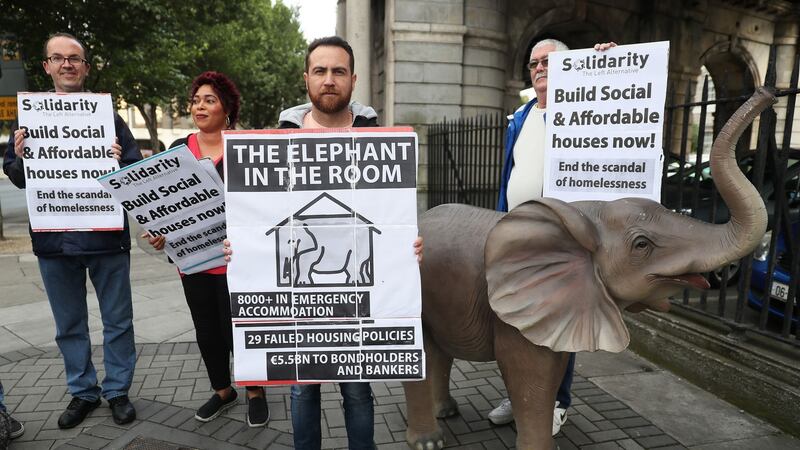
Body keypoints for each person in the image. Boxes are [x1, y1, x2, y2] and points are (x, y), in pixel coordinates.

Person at [224, 36, 422, 450]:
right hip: (301, 304)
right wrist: (242, 250)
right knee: (302, 389)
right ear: (306, 79)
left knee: (357, 391)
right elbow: (258, 219)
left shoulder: (378, 138)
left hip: (357, 302)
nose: (328, 80)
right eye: (320, 71)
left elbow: (392, 217)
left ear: (352, 79)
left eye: (337, 72)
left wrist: (407, 247)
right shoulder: (279, 141)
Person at [3, 32, 140, 429]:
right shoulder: (28, 117)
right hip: (54, 239)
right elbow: (16, 176)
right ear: (46, 66)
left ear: (85, 67)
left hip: (106, 237)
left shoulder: (108, 117)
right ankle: (83, 392)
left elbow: (133, 173)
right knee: (69, 325)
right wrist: (22, 158)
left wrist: (120, 164)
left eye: (75, 58)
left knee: (118, 321)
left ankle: (117, 391)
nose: (67, 64)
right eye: (58, 58)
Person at [490, 39, 616, 435]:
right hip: (518, 236)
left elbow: (619, 113)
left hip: (562, 239)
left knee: (561, 321)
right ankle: (521, 392)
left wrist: (606, 65)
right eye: (533, 63)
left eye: (549, 61)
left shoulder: (582, 112)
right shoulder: (522, 116)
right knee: (516, 320)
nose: (539, 67)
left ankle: (557, 401)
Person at [145, 71, 269, 427]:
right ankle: (222, 390)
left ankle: (255, 391)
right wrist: (159, 234)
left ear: (227, 109)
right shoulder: (178, 150)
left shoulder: (244, 150)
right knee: (207, 331)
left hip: (236, 263)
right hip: (193, 262)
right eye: (196, 100)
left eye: (209, 100)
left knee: (239, 330)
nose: (200, 105)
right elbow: (164, 204)